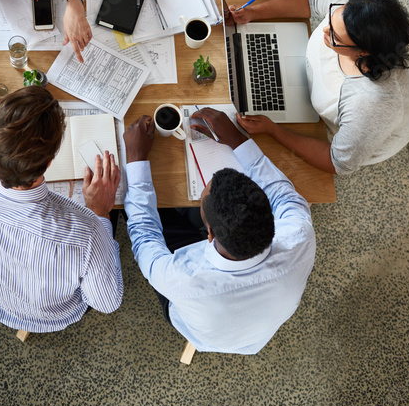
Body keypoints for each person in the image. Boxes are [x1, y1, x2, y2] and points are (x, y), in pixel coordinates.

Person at [123, 109, 315, 354]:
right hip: (255, 334)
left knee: (156, 215)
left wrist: (136, 158)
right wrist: (236, 138)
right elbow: (282, 192)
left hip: (199, 327)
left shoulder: (181, 279)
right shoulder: (300, 235)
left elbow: (143, 234)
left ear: (209, 233)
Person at [0, 86, 123, 332]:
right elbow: (107, 303)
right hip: (55, 316)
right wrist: (99, 213)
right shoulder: (89, 233)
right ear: (49, 163)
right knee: (116, 213)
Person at [228, 0, 409, 175]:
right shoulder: (362, 5)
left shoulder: (373, 106)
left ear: (363, 52)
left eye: (334, 36)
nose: (324, 30)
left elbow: (338, 162)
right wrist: (253, 13)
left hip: (360, 133)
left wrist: (273, 130)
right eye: (331, 19)